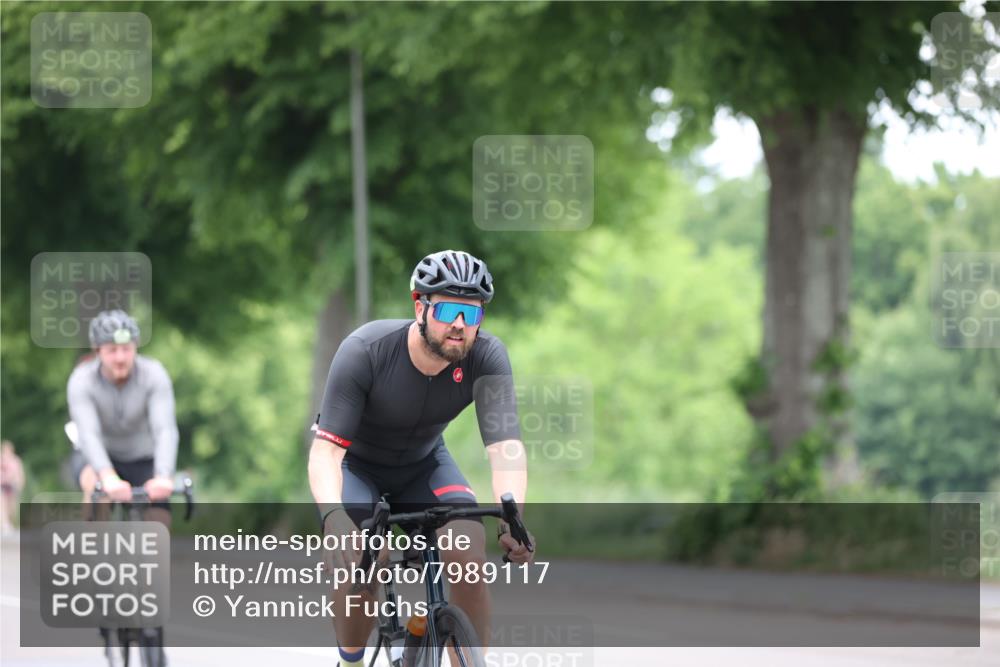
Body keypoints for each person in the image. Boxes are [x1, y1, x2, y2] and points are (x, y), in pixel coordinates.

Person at [308, 249, 535, 667]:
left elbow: (505, 447)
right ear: (420, 308)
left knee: (468, 554)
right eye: (448, 310)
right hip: (356, 468)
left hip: (424, 466)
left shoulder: (487, 356)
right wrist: (333, 515)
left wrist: (512, 517)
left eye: (472, 313)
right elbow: (326, 452)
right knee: (364, 559)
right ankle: (351, 661)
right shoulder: (365, 350)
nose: (460, 324)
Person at [67, 309, 179, 511]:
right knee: (97, 490)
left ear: (136, 347)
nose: (120, 357)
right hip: (98, 456)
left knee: (159, 518)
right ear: (98, 351)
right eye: (112, 350)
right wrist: (107, 475)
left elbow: (165, 429)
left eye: (126, 349)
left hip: (142, 456)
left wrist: (163, 475)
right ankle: (94, 529)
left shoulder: (154, 374)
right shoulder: (81, 380)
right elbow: (89, 434)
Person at [1, 440, 25, 537]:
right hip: (2, 485)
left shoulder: (16, 460)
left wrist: (20, 483)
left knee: (12, 506)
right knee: (3, 504)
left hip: (12, 485)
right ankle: (5, 524)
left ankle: (10, 522)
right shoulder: (1, 459)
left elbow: (20, 473)